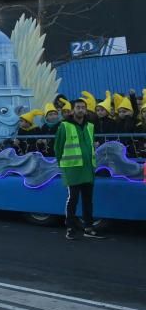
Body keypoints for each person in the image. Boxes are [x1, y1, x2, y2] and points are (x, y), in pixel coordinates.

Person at [54, 98, 104, 240]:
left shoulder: (90, 126)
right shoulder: (64, 126)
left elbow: (91, 144)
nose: (81, 110)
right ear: (72, 110)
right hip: (72, 168)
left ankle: (88, 227)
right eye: (78, 107)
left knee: (88, 200)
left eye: (83, 107)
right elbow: (58, 147)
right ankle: (70, 227)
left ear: (86, 110)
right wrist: (61, 163)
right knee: (73, 198)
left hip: (87, 168)